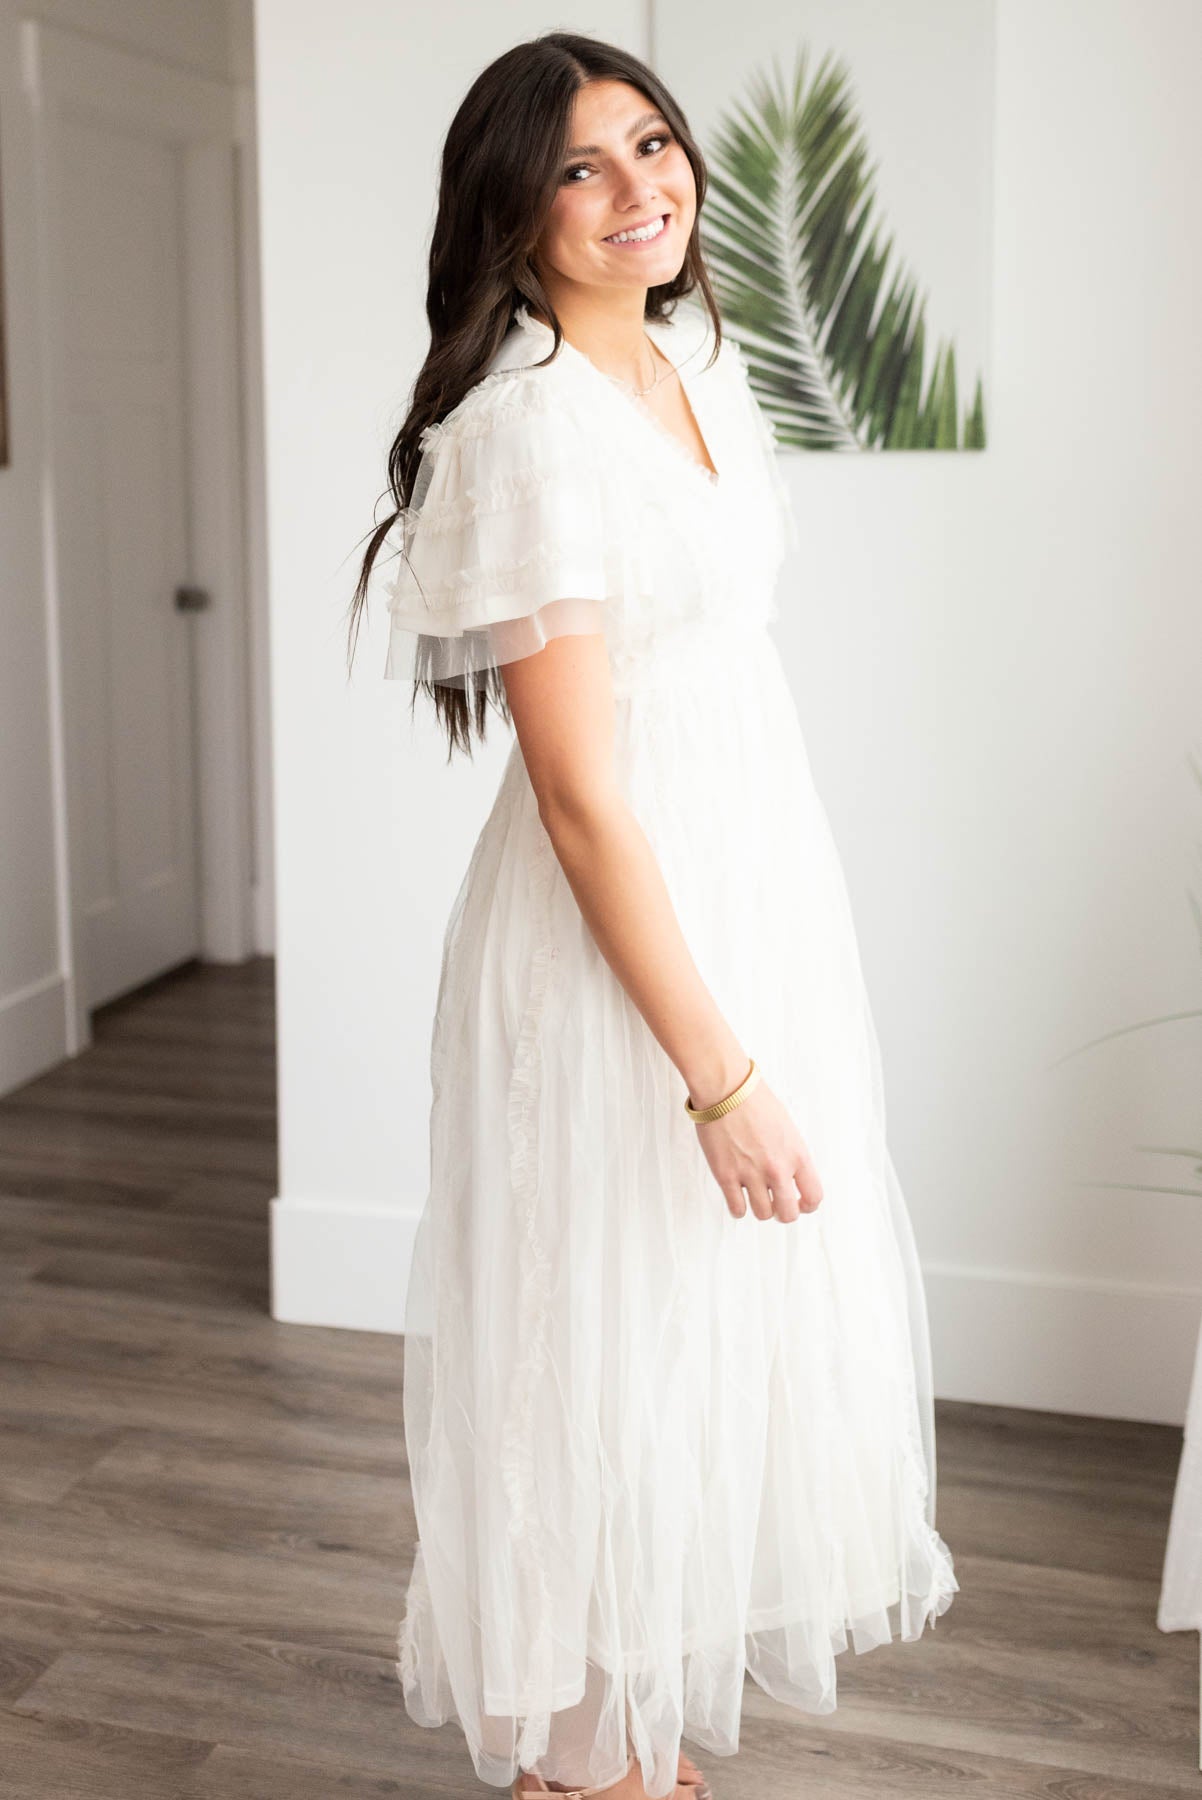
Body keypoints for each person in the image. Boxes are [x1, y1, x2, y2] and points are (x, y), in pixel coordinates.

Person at [349, 30, 958, 1800]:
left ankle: (620, 1757)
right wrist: (715, 1073)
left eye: (653, 146)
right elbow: (578, 794)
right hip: (613, 941)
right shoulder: (526, 427)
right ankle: (585, 1764)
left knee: (688, 1337)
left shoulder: (700, 360)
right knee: (584, 1348)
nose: (641, 193)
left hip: (747, 883)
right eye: (580, 169)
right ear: (513, 214)